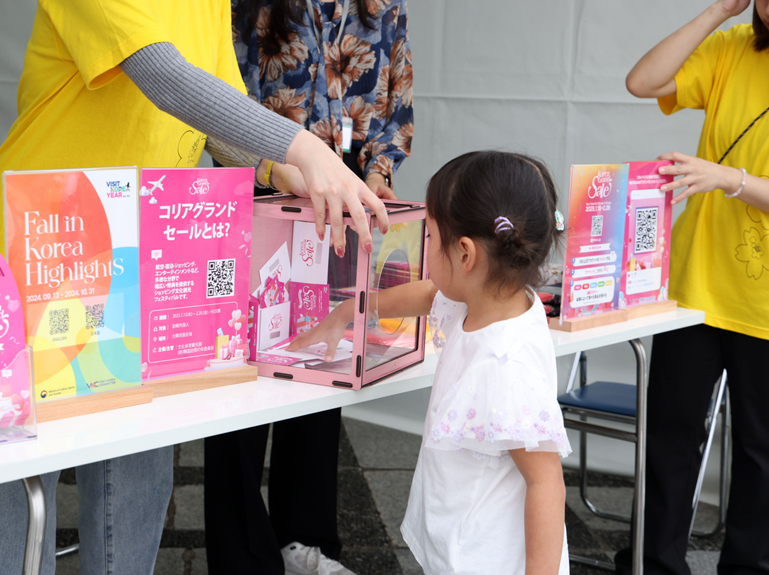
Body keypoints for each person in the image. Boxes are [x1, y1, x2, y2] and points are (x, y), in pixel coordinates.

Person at [0, 0, 389, 573]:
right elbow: (163, 77)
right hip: (45, 245)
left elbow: (216, 114)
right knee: (25, 471)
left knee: (139, 455)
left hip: (145, 251)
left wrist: (283, 172)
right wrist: (303, 148)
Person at [289, 151, 572, 575]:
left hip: (486, 562)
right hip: (460, 541)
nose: (424, 244)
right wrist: (347, 313)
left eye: (431, 235)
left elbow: (546, 482)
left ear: (464, 255)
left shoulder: (505, 363)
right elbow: (426, 294)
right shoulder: (492, 299)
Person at [204, 2, 413, 574]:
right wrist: (266, 164)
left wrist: (378, 172)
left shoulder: (382, 4)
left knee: (326, 351)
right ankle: (241, 555)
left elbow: (397, 88)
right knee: (243, 367)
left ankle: (305, 543)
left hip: (345, 190)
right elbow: (216, 85)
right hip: (262, 176)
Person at [616, 1, 769, 573]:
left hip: (763, 304)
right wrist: (720, 11)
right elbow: (642, 81)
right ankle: (655, 564)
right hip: (695, 289)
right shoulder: (734, 48)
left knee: (760, 456)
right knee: (669, 441)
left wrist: (728, 179)